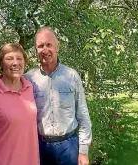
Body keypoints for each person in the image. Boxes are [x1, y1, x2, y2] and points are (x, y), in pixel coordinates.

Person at [24, 27, 92, 165]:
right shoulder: (28, 79)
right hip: (39, 147)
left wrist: (83, 151)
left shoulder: (72, 76)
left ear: (57, 47)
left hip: (69, 147)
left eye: (49, 45)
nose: (45, 50)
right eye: (40, 46)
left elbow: (83, 115)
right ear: (36, 49)